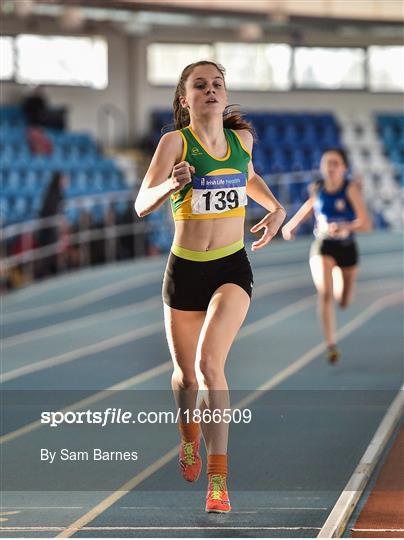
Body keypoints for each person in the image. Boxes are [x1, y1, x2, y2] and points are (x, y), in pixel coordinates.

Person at [135, 60, 286, 513]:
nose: (210, 90)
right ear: (186, 98)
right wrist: (169, 185)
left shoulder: (242, 139)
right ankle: (188, 439)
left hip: (230, 268)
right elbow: (142, 203)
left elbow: (247, 177)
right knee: (184, 377)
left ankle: (218, 482)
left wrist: (275, 208)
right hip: (185, 271)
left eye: (217, 84)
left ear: (225, 92)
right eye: (200, 85)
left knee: (208, 366)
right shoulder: (174, 142)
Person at [282, 148, 372, 363]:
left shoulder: (350, 190)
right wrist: (290, 226)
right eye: (326, 163)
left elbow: (366, 224)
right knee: (324, 292)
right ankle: (330, 344)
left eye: (335, 163)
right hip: (323, 245)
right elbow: (307, 209)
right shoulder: (318, 188)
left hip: (347, 247)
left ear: (344, 168)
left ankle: (343, 289)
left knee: (343, 300)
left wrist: (344, 226)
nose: (330, 167)